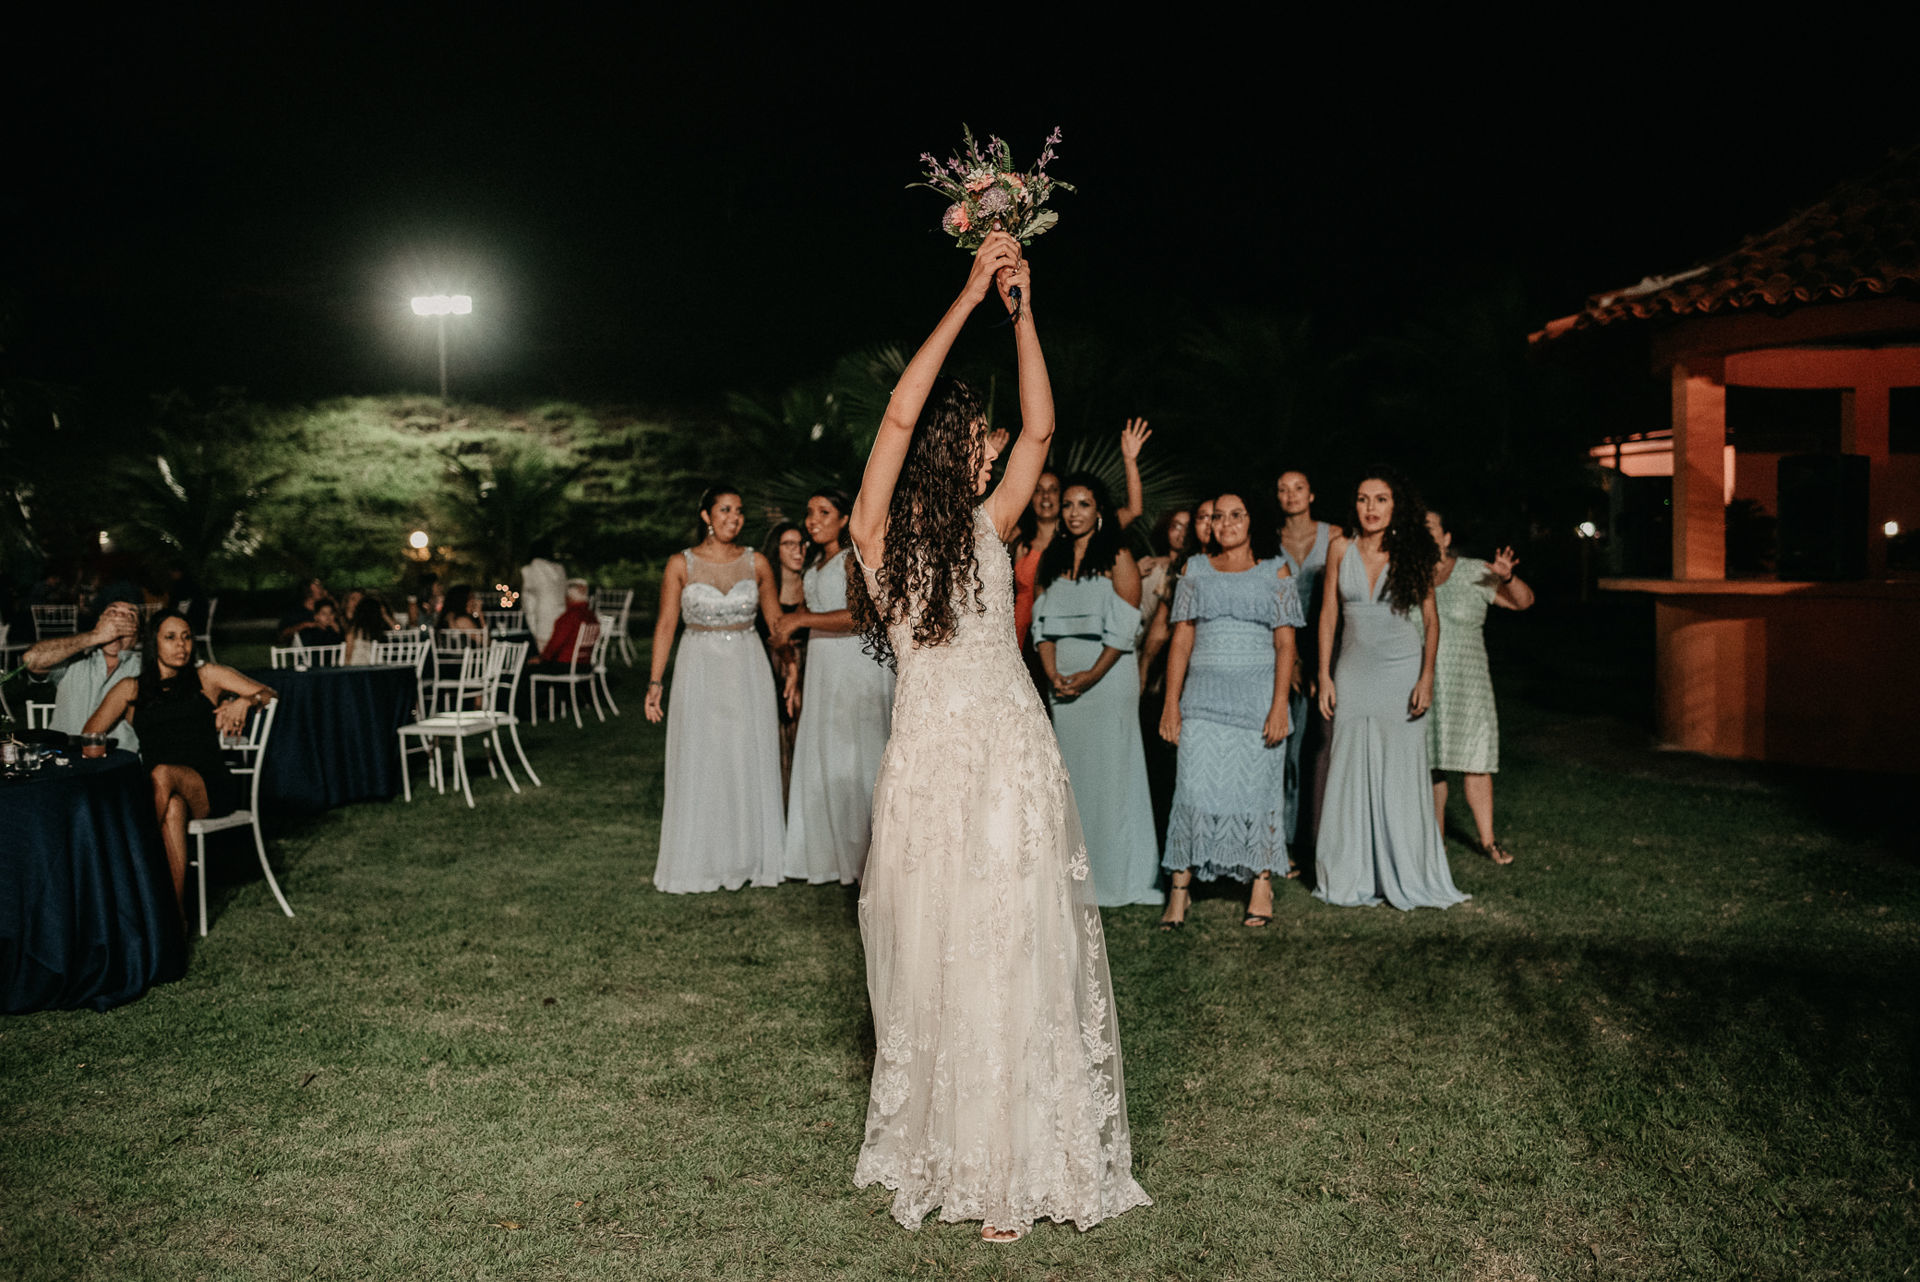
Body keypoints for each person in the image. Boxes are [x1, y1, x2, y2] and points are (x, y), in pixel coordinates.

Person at [843, 233, 1149, 1241]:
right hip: (931, 763)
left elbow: (1044, 427)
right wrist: (970, 292)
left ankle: (1019, 1156)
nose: (996, 448)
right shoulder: (877, 534)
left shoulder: (994, 525)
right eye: (979, 438)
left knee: (1014, 942)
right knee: (940, 948)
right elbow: (899, 411)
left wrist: (1023, 311)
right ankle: (959, 1149)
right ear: (947, 448)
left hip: (1013, 754)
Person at [1314, 471, 1468, 911]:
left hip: (1401, 670)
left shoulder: (1411, 551)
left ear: (1395, 506)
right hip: (1352, 669)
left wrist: (1426, 677)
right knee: (1348, 765)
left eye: (1381, 499)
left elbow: (1431, 621)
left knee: (1400, 770)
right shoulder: (1339, 548)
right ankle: (1352, 871)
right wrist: (1324, 675)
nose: (1371, 508)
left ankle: (1405, 870)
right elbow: (1328, 615)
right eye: (1363, 499)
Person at [1157, 491, 1305, 929]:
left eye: (1236, 515)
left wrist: (1279, 706)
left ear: (1252, 520)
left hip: (1257, 704)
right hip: (1202, 703)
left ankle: (1261, 883)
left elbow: (1286, 644)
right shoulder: (1195, 569)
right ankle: (1179, 892)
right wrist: (1171, 704)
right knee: (1191, 791)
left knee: (1257, 792)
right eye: (1218, 516)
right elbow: (1181, 639)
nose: (1226, 524)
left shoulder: (1275, 571)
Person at [645, 483, 786, 893]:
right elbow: (666, 625)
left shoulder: (757, 563)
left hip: (748, 667)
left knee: (745, 754)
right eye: (725, 510)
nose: (734, 518)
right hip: (699, 668)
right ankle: (702, 858)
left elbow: (777, 624)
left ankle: (749, 856)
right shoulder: (680, 564)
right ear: (706, 515)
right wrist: (655, 681)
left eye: (739, 511)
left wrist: (793, 663)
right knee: (703, 755)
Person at [82, 609, 275, 909]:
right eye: (170, 638)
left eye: (186, 637)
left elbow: (270, 694)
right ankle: (174, 919)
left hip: (209, 788)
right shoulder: (131, 689)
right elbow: (90, 736)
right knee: (172, 807)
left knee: (161, 773)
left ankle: (129, 860)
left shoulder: (206, 677)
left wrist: (245, 701)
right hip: (162, 795)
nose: (181, 645)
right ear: (154, 643)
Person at [1030, 473, 1159, 907]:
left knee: (1113, 775)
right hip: (1063, 684)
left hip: (1108, 679)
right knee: (1073, 778)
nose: (1073, 513)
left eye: (1083, 504)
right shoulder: (1052, 558)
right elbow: (1041, 624)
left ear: (1099, 511)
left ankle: (1119, 875)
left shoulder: (1117, 555)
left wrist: (1090, 675)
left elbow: (1125, 627)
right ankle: (1075, 877)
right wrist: (1052, 673)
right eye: (1068, 504)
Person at [773, 487, 895, 885]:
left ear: (844, 519)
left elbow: (863, 616)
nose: (813, 521)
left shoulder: (852, 558)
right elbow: (808, 606)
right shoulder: (814, 565)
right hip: (824, 665)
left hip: (854, 664)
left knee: (856, 753)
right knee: (827, 752)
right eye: (810, 512)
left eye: (824, 512)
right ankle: (825, 854)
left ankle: (866, 856)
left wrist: (801, 621)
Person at [1426, 508, 1534, 863]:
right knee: (1429, 760)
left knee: (1475, 757)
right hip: (1424, 679)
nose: (1425, 533)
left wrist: (1507, 577)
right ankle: (1435, 840)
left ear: (1446, 537)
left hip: (1467, 680)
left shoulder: (1474, 571)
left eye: (1431, 527)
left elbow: (1523, 602)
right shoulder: (1409, 577)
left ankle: (1488, 840)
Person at [1276, 469, 1336, 863]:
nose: (1291, 495)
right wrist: (1294, 661)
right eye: (1283, 489)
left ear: (1311, 494)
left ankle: (1321, 837)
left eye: (1298, 488)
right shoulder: (1270, 540)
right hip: (1283, 651)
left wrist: (1320, 663)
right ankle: (1286, 838)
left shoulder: (1334, 537)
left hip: (1328, 649)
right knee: (1286, 746)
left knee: (1322, 746)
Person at [21, 600, 144, 747]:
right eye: (112, 612)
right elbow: (30, 659)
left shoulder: (145, 670)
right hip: (65, 755)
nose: (119, 620)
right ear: (99, 623)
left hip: (121, 757)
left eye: (130, 616)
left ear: (138, 634)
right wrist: (95, 636)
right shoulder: (74, 661)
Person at [762, 520, 810, 798]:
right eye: (789, 544)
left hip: (809, 663)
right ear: (776, 549)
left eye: (801, 544)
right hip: (774, 664)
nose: (797, 550)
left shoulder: (811, 584)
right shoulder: (765, 587)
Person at [519, 546, 568, 650]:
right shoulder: (560, 570)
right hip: (561, 616)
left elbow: (528, 600)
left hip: (543, 618)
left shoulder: (530, 570)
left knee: (545, 649)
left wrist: (532, 625)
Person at [342, 594, 393, 665]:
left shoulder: (355, 628)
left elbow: (397, 628)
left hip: (358, 663)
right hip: (372, 663)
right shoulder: (373, 629)